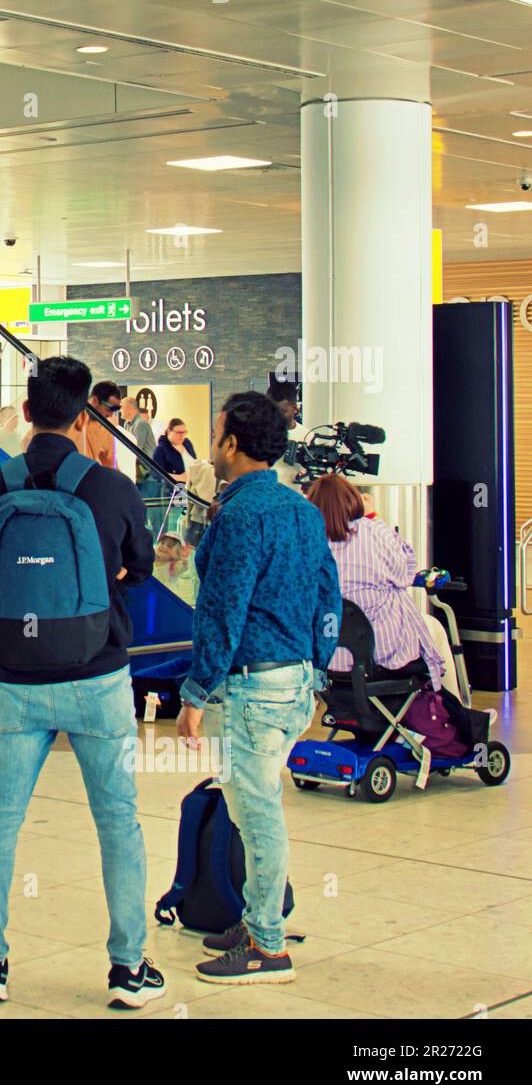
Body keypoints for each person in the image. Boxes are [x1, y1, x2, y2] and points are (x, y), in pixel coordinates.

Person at [0, 356, 162, 1010]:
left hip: (13, 680)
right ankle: (127, 968)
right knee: (118, 823)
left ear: (26, 414)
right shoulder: (112, 490)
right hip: (97, 676)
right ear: (86, 418)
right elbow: (140, 570)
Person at [176, 391, 341, 985]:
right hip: (294, 680)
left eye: (217, 435)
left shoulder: (242, 516)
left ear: (232, 445)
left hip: (256, 685)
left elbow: (223, 611)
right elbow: (329, 592)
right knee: (253, 805)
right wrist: (317, 667)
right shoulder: (299, 508)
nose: (213, 445)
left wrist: (195, 695)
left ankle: (268, 946)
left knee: (257, 810)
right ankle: (256, 919)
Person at [307, 475, 457, 695]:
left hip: (327, 660)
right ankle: (451, 711)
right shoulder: (372, 531)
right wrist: (373, 515)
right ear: (353, 500)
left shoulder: (306, 540)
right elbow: (404, 574)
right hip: (381, 657)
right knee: (434, 629)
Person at [267, 380, 307, 490]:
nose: (277, 416)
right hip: (264, 501)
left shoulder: (308, 437)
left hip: (295, 501)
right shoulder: (256, 434)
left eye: (283, 411)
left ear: (295, 408)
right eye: (272, 410)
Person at [80, 380, 121, 467]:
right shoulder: (70, 419)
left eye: (114, 410)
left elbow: (111, 464)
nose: (110, 415)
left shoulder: (105, 428)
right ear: (95, 400)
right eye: (109, 409)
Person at [152, 418, 195, 483]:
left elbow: (195, 462)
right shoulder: (161, 449)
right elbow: (156, 474)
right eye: (178, 432)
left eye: (184, 432)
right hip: (175, 489)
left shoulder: (187, 443)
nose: (182, 435)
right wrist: (179, 477)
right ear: (169, 431)